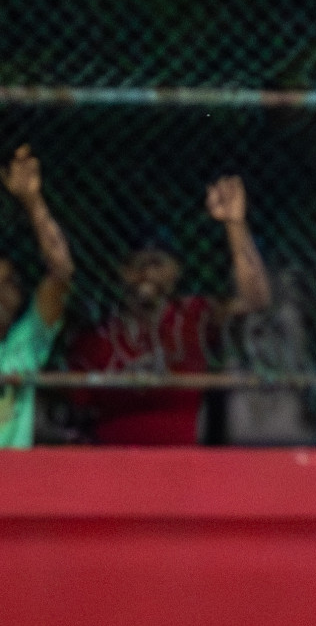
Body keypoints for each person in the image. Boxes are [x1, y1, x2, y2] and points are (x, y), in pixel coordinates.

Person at [69, 175, 271, 444]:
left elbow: (255, 299)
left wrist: (235, 224)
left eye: (157, 263)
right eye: (137, 264)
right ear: (122, 272)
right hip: (112, 462)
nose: (147, 273)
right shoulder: (96, 338)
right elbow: (76, 414)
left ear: (176, 271)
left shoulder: (193, 316)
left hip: (179, 462)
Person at [0, 145, 74, 448]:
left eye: (8, 283)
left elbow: (61, 272)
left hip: (15, 474)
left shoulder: (25, 342)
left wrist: (32, 201)